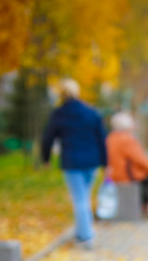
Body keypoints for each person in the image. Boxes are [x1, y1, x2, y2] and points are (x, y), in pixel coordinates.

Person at [41, 79, 107, 248]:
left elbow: (48, 137)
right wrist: (106, 162)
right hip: (92, 161)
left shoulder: (59, 113)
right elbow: (101, 138)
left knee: (80, 199)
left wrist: (46, 158)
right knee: (84, 197)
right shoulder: (91, 112)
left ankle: (86, 236)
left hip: (72, 162)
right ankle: (82, 232)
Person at [106, 111, 148, 216]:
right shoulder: (127, 139)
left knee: (147, 178)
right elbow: (140, 159)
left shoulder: (110, 137)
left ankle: (145, 209)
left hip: (113, 174)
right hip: (125, 175)